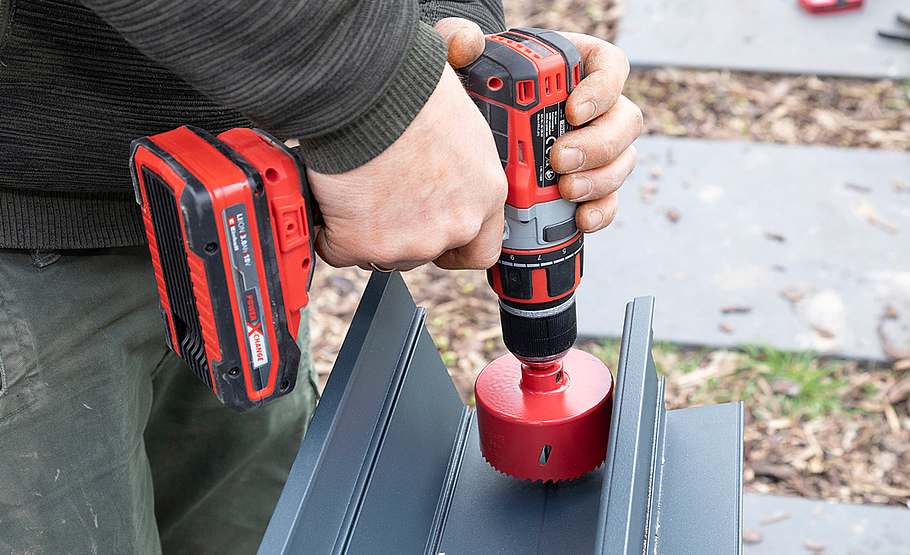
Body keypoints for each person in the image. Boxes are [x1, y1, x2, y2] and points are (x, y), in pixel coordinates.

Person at [0, 1, 642, 553]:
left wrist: (444, 41)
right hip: (29, 255)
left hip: (242, 211)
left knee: (264, 525)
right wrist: (370, 93)